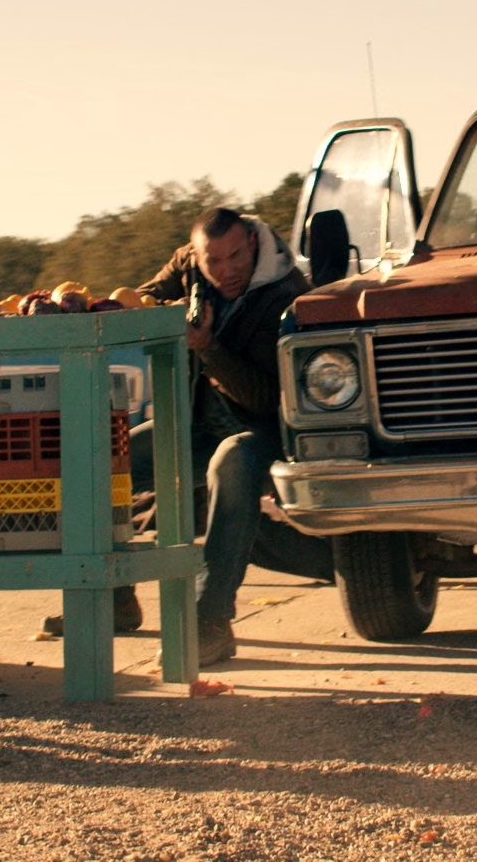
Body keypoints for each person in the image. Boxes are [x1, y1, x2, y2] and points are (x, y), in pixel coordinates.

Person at [127, 206, 331, 666]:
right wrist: (146, 308)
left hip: (267, 433)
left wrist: (208, 348)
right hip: (201, 423)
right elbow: (144, 297)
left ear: (252, 244)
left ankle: (211, 622)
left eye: (236, 256)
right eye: (213, 261)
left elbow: (264, 398)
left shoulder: (286, 296)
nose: (227, 271)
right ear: (197, 256)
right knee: (110, 459)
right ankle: (113, 597)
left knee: (231, 460)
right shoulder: (189, 263)